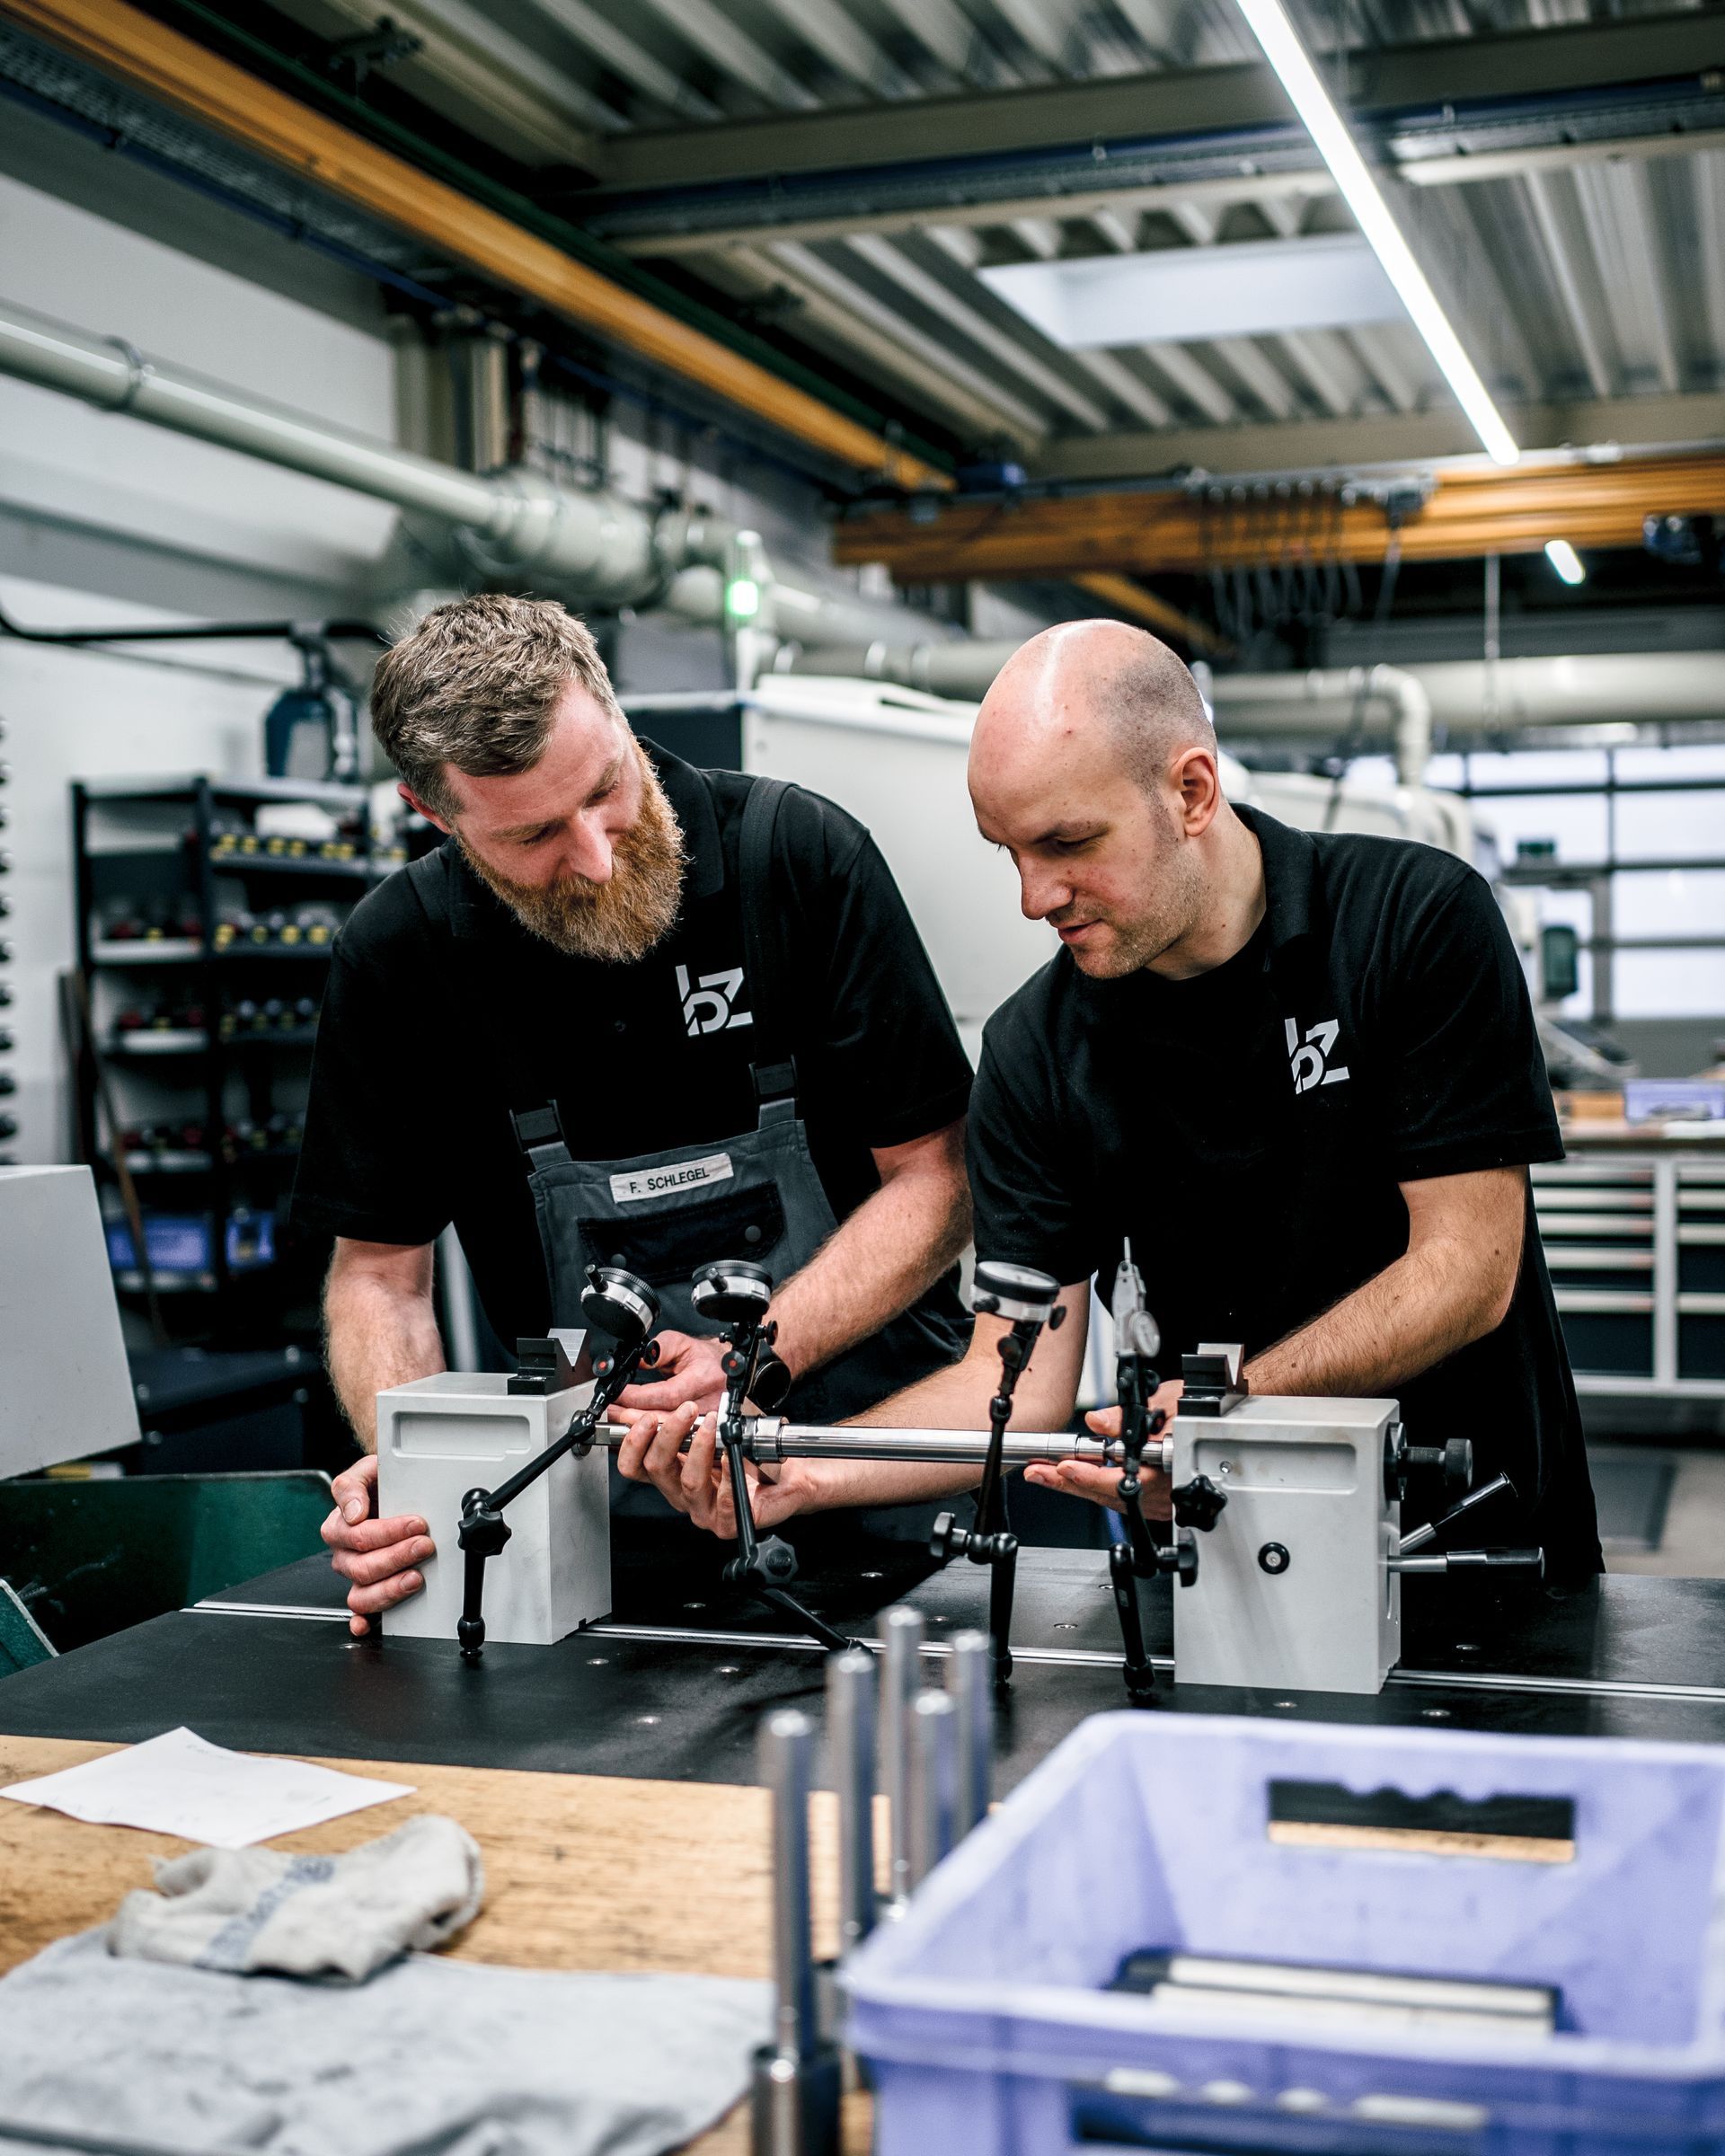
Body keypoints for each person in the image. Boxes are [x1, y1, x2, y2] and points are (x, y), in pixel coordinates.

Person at [624, 620, 1602, 1588]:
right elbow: (1014, 1380)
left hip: (1479, 1546)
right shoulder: (1037, 1052)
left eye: (1068, 843)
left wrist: (1225, 1408)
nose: (1035, 896)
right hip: (1222, 1567)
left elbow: (1467, 1268)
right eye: (1010, 852)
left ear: (1192, 792)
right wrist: (805, 1472)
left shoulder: (1412, 923)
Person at [294, 595, 975, 1634]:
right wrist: (419, 1469)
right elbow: (380, 1275)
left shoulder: (797, 859)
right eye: (534, 835)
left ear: (613, 711)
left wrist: (754, 1356)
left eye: (605, 788)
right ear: (433, 814)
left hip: (881, 1478)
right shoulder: (400, 959)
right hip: (590, 1529)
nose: (598, 855)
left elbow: (939, 1179)